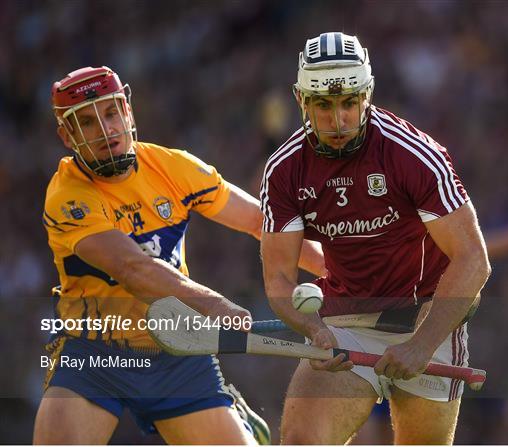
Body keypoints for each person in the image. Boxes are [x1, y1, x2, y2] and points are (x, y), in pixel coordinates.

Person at [34, 66, 325, 444]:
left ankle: (234, 419)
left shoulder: (172, 167)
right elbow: (132, 268)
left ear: (128, 111)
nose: (105, 130)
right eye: (86, 122)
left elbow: (260, 222)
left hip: (175, 349)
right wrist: (213, 304)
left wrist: (341, 274)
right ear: (66, 136)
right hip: (95, 353)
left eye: (110, 112)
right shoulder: (66, 197)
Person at [260, 32, 491, 444]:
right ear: (301, 101)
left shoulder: (414, 155)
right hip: (347, 318)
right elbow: (278, 279)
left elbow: (473, 259)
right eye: (323, 105)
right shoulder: (285, 171)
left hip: (428, 314)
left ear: (367, 94)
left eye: (349, 103)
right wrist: (312, 328)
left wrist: (421, 344)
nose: (338, 121)